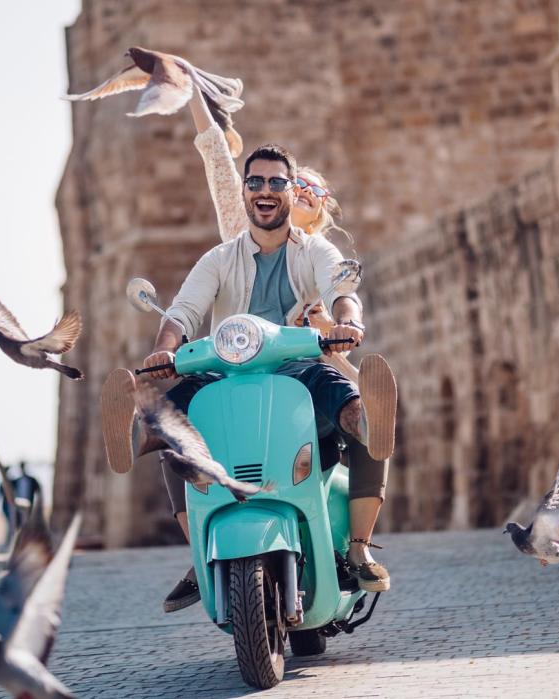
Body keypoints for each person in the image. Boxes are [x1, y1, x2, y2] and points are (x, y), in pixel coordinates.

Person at [102, 140, 398, 613]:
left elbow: (341, 286)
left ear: (288, 191)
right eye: (255, 181)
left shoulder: (314, 250)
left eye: (277, 182)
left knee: (361, 416)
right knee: (172, 429)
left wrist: (349, 321)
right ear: (244, 191)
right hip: (225, 373)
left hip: (300, 369)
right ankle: (141, 444)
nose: (265, 190)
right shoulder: (220, 258)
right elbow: (183, 311)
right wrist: (164, 350)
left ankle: (359, 547)